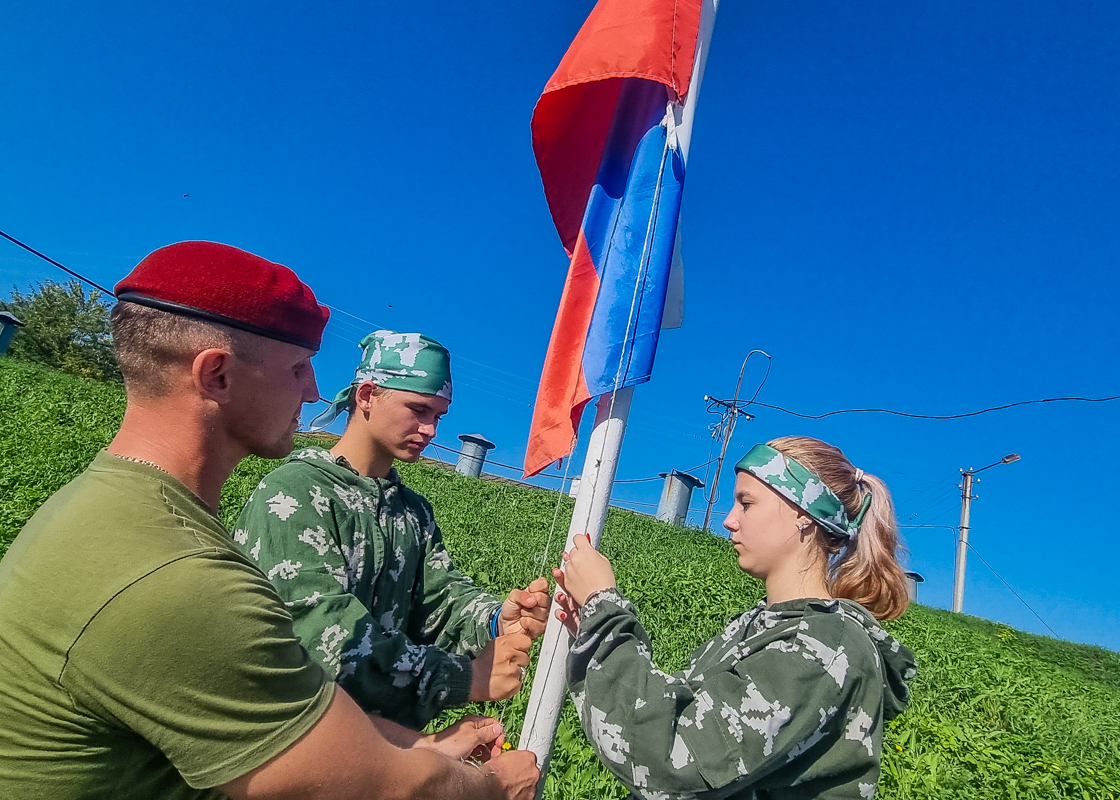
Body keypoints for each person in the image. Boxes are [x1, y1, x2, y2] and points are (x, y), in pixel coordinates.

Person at [0, 241, 538, 800]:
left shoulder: (123, 518)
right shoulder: (175, 575)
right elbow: (366, 787)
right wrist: (492, 786)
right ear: (218, 376)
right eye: (298, 368)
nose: (312, 390)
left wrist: (422, 747)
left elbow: (277, 719)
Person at [553, 436, 918, 800]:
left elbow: (670, 763)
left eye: (746, 503)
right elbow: (675, 710)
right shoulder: (769, 626)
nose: (729, 520)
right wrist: (593, 632)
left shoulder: (824, 648)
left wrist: (603, 612)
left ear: (804, 516)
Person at [233, 329, 551, 730]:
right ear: (366, 396)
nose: (431, 429)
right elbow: (318, 631)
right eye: (418, 409)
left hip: (378, 751)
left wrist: (497, 620)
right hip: (288, 744)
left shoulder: (413, 512)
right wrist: (459, 677)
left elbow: (440, 600)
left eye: (438, 416)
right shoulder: (297, 493)